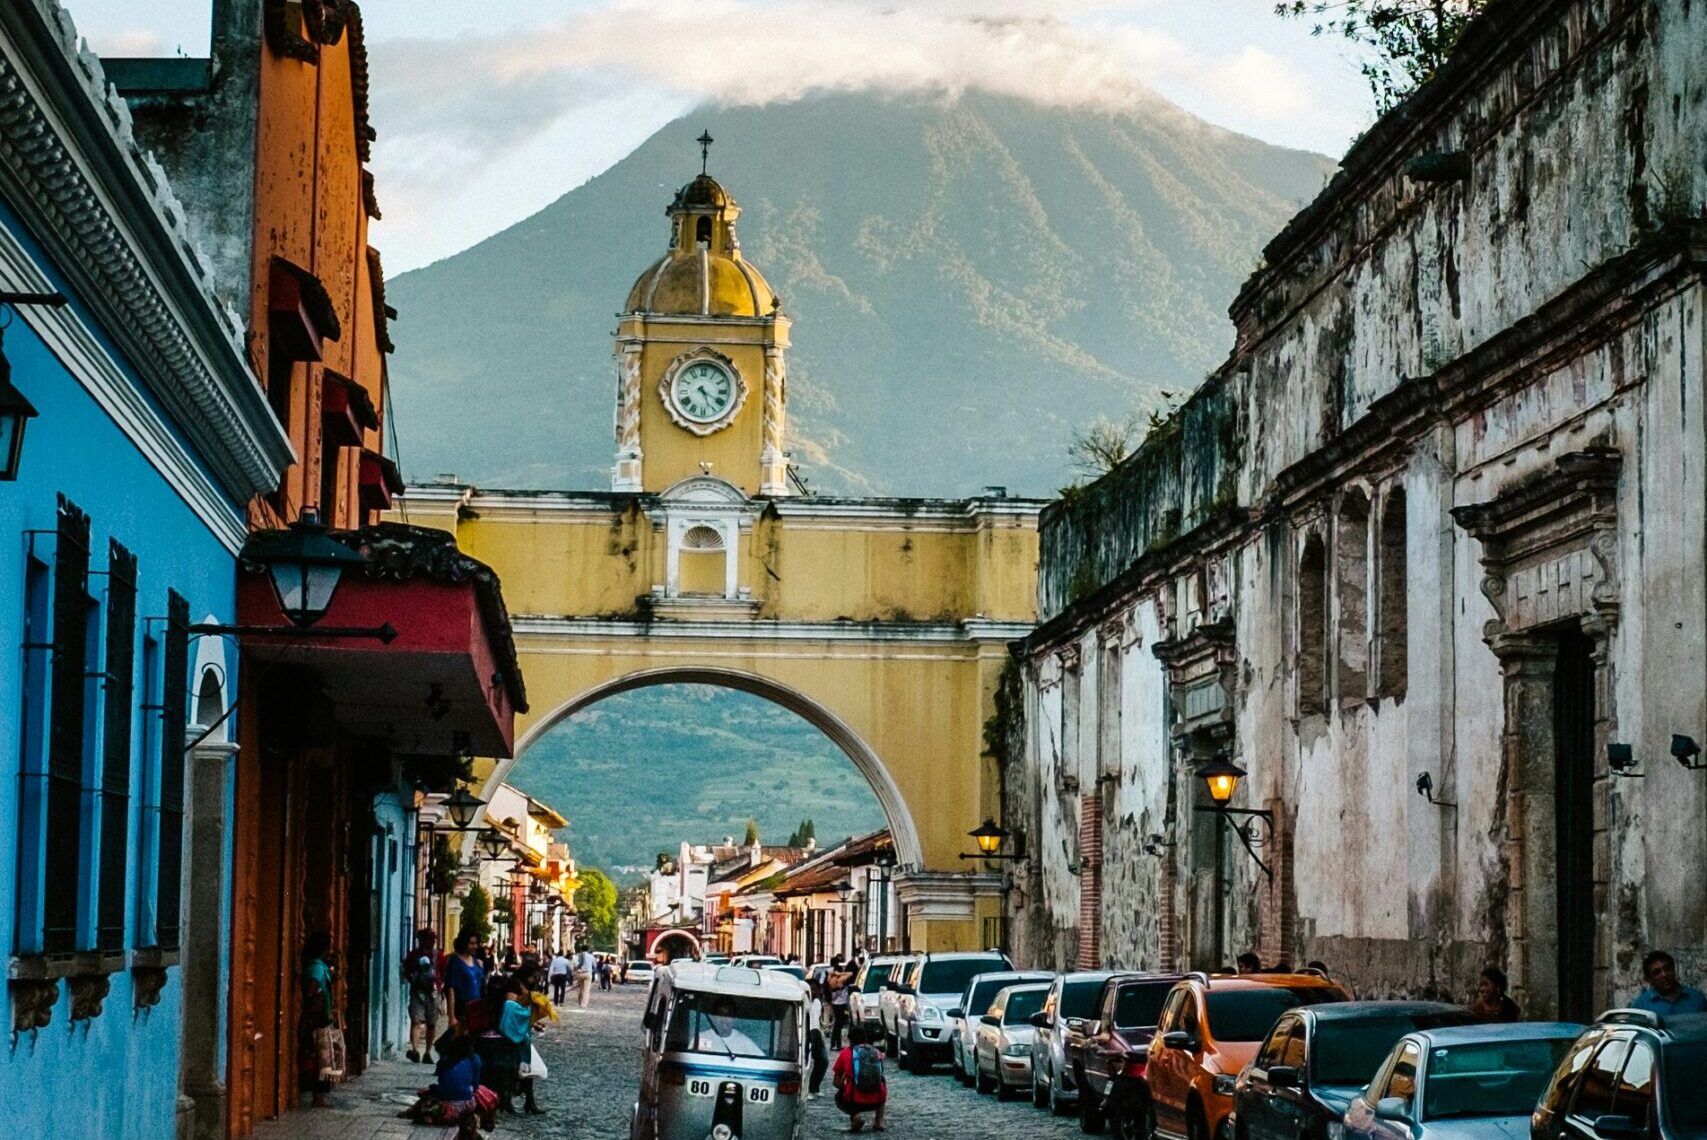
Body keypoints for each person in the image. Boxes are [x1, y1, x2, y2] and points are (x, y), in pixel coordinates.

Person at [399, 1030, 498, 1137]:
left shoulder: (445, 1060)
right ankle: (484, 1117)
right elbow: (475, 1085)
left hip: (447, 1101)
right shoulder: (475, 1059)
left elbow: (442, 1082)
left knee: (428, 1094)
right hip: (468, 1103)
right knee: (483, 1092)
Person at [299, 932, 336, 1108]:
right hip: (317, 1020)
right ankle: (317, 1095)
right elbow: (311, 988)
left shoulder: (317, 966)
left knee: (321, 1056)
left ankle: (319, 1095)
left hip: (319, 1018)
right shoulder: (316, 968)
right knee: (320, 1057)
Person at [831, 1024, 887, 1133]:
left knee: (840, 1096)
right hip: (877, 1100)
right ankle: (879, 1120)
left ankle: (856, 1116)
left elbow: (836, 1081)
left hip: (854, 1101)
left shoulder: (845, 1053)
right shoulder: (876, 1052)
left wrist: (845, 1087)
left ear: (850, 1039)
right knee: (882, 1083)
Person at [1631, 949, 1707, 1015]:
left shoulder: (1697, 999)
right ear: (1649, 979)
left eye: (1667, 968)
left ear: (1673, 970)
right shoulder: (1641, 1007)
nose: (1664, 974)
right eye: (1657, 972)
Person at [404, 929, 440, 1064]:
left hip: (430, 992)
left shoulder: (435, 956)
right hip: (422, 992)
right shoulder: (414, 955)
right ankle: (417, 1050)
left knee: (429, 1022)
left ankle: (425, 1052)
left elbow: (406, 972)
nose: (429, 942)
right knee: (418, 1021)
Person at [444, 932, 490, 1034]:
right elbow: (451, 989)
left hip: (477, 1008)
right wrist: (451, 1016)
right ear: (464, 944)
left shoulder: (476, 961)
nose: (475, 946)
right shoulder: (456, 962)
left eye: (476, 943)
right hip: (462, 1009)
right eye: (472, 943)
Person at [807, 980, 831, 1098]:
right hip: (808, 1032)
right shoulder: (804, 1002)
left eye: (815, 989)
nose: (813, 991)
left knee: (823, 1061)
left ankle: (814, 1087)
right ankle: (807, 1090)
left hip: (816, 1032)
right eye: (811, 988)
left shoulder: (817, 1002)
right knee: (806, 1062)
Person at [829, 956, 854, 1049]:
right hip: (840, 1004)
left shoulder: (832, 979)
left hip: (836, 1004)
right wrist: (841, 973)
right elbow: (850, 973)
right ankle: (834, 1044)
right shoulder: (840, 980)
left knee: (838, 1024)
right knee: (838, 1025)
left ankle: (836, 1044)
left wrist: (835, 974)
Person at [575, 942, 597, 1008]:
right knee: (586, 990)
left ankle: (579, 1001)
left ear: (581, 949)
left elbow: (575, 964)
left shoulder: (578, 955)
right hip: (588, 973)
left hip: (580, 973)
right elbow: (594, 966)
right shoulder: (591, 956)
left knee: (580, 988)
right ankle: (584, 1004)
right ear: (588, 949)